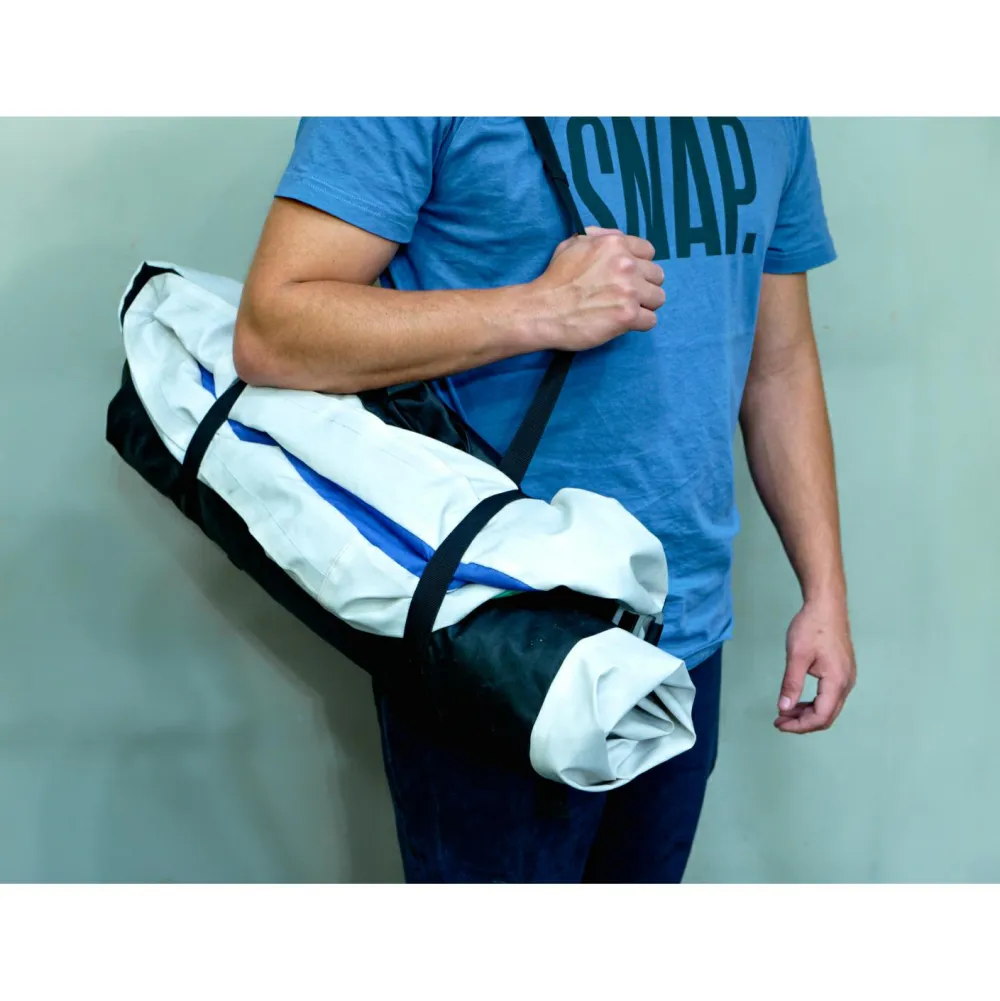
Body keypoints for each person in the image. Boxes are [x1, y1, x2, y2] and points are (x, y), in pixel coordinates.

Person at [232, 116, 857, 883]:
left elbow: (778, 363)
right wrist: (539, 309)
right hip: (495, 632)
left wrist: (824, 588)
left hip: (682, 636)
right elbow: (273, 329)